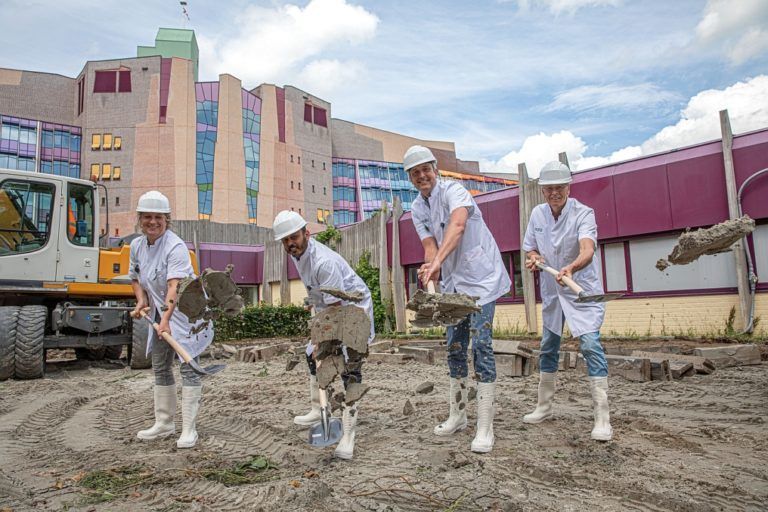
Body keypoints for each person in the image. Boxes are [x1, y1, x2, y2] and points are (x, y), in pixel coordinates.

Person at [405, 145, 511, 454]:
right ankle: (459, 414)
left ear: (435, 169)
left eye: (426, 169)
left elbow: (458, 225)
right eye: (415, 172)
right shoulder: (416, 208)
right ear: (410, 178)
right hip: (452, 284)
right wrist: (430, 268)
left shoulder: (455, 191)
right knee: (453, 347)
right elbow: (429, 244)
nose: (422, 175)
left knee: (480, 345)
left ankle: (485, 425)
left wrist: (437, 261)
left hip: (481, 281)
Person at [522, 161, 612, 441]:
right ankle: (544, 406)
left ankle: (602, 418)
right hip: (552, 291)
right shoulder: (537, 214)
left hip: (580, 289)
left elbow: (588, 248)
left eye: (559, 187)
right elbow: (531, 248)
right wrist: (535, 259)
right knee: (548, 346)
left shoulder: (584, 213)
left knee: (590, 344)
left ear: (568, 187)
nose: (554, 193)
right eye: (549, 189)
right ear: (543, 191)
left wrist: (572, 267)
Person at [273, 210, 375, 460]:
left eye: (293, 237)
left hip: (353, 314)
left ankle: (348, 434)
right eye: (285, 240)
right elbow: (319, 296)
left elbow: (336, 308)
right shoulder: (299, 255)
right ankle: (319, 408)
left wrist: (322, 339)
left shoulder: (324, 262)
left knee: (350, 368)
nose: (289, 244)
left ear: (306, 233)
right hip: (330, 310)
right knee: (312, 355)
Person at [129, 191, 214, 448]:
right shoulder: (137, 246)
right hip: (160, 310)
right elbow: (135, 276)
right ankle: (164, 423)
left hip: (187, 313)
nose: (152, 222)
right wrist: (141, 300)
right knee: (160, 365)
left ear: (167, 220)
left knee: (189, 368)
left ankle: (189, 429)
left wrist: (165, 320)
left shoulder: (175, 246)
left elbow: (174, 287)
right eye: (147, 217)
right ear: (140, 219)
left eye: (158, 217)